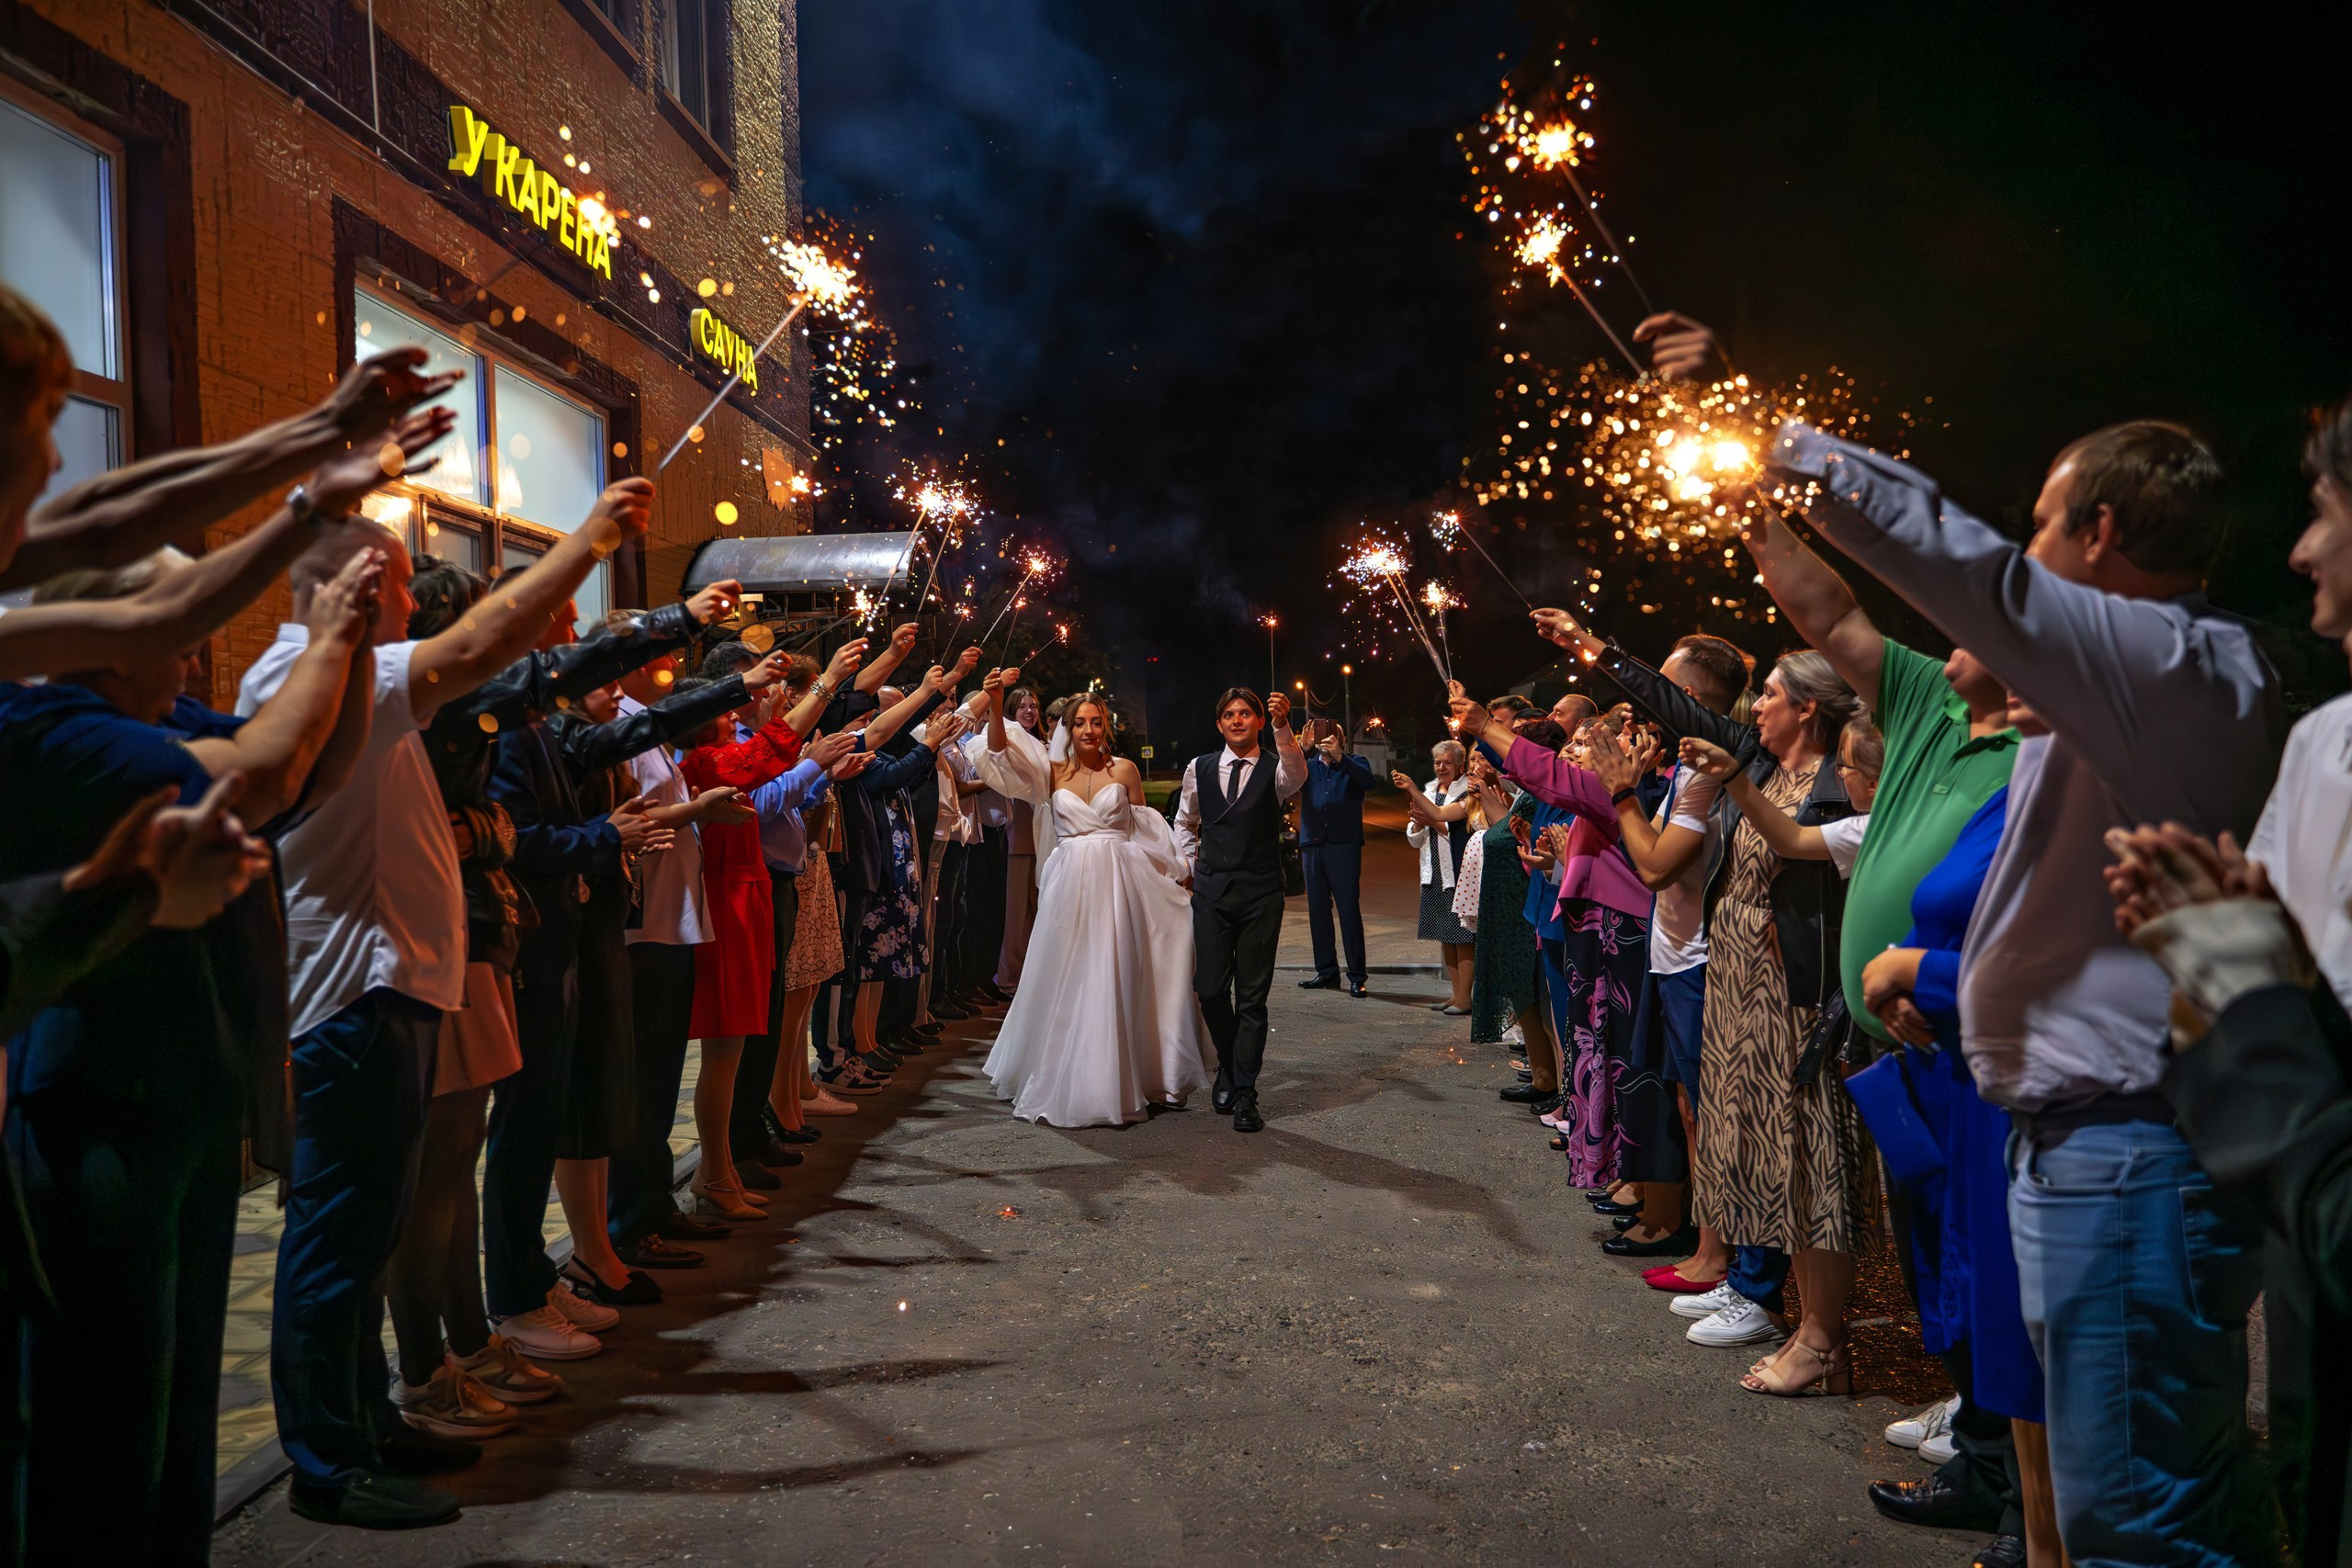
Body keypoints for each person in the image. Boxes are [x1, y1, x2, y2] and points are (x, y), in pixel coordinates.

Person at [1767, 412, 2281, 1564]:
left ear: (2100, 532)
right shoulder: (2109, 696)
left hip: (2133, 1151)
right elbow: (2057, 914)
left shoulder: (2164, 661)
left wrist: (1785, 446)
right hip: (2071, 1138)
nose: (2021, 552)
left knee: (2139, 1520)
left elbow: (1960, 565)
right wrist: (1953, 986)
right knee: (2108, 1500)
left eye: (2042, 525)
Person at [238, 477, 654, 1530]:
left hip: (395, 985)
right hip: (355, 993)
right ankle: (325, 1460)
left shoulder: (353, 676)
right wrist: (591, 542)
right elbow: (488, 654)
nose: (411, 603)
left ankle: (366, 1420)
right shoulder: (326, 672)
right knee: (336, 1239)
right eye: (388, 579)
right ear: (348, 591)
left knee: (370, 1228)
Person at [0, 539, 377, 1562]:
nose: (199, 649)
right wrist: (334, 632)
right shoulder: (63, 727)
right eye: (180, 625)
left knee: (177, 1413)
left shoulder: (158, 719)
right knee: (107, 1419)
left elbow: (311, 767)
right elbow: (265, 770)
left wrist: (356, 645)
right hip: (101, 1108)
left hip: (192, 1100)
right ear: (110, 636)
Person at [2106, 827, 2352, 1568]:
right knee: (2305, 1451)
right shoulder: (2324, 737)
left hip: (2307, 1166)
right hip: (2301, 1218)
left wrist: (2250, 1007)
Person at [977, 672, 1212, 1125]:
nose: (1089, 730)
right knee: (1070, 970)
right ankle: (1070, 1072)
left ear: (1107, 726)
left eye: (1097, 722)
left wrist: (1175, 872)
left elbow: (1146, 829)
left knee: (1119, 968)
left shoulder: (1124, 770)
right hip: (1070, 885)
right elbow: (999, 751)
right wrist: (996, 699)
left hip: (1122, 883)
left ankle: (1136, 1073)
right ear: (1066, 726)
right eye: (1080, 722)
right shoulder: (1051, 771)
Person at [1172, 687, 1307, 1134]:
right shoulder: (1200, 767)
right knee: (1209, 988)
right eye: (1229, 714)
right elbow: (1185, 821)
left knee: (1252, 997)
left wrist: (1283, 725)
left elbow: (1297, 772)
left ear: (1258, 721)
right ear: (1219, 723)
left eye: (1246, 714)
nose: (1237, 720)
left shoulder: (1276, 767)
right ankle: (1228, 1064)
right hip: (1211, 891)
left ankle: (1245, 1090)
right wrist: (1189, 865)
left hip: (1260, 893)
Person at [1296, 717, 1376, 998]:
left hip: (1344, 844)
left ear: (1342, 741)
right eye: (1321, 735)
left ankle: (1356, 975)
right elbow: (1284, 781)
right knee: (1318, 910)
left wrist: (1341, 758)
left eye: (1332, 735)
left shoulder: (1356, 761)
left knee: (1348, 909)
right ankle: (1327, 972)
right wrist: (1302, 751)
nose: (1325, 738)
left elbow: (1369, 782)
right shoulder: (1306, 765)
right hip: (1312, 844)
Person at [1398, 740, 1476, 1015]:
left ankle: (1466, 997)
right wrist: (1419, 823)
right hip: (1433, 873)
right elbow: (1414, 838)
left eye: (1447, 763)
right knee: (1446, 934)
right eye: (1437, 763)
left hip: (1458, 871)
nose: (1441, 768)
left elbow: (1454, 828)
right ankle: (1456, 996)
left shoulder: (1467, 790)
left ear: (1460, 765)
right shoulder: (1430, 790)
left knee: (1463, 936)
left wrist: (1429, 819)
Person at [995, 686, 1046, 992]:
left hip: (1045, 836)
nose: (1029, 711)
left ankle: (1035, 974)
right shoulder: (1008, 742)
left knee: (1039, 908)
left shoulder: (1045, 744)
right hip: (1017, 833)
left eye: (1033, 706)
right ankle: (1010, 977)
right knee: (1015, 913)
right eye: (1022, 706)